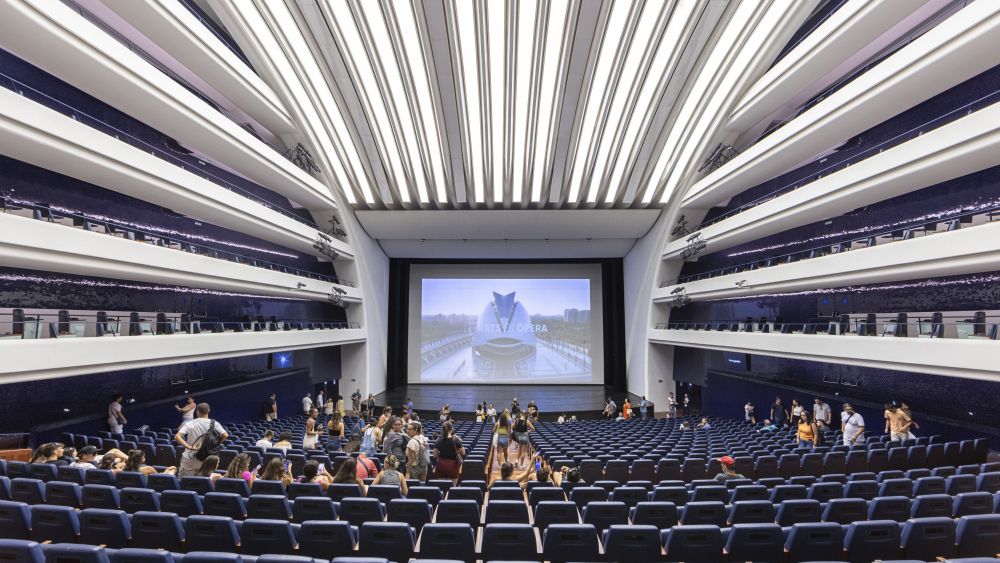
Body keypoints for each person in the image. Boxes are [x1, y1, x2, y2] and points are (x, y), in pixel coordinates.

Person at [174, 402, 229, 477]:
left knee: (185, 480)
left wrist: (189, 447)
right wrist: (215, 443)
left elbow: (177, 436)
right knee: (203, 481)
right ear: (208, 411)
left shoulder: (191, 423)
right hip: (207, 458)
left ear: (197, 412)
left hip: (190, 457)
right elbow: (225, 435)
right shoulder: (215, 423)